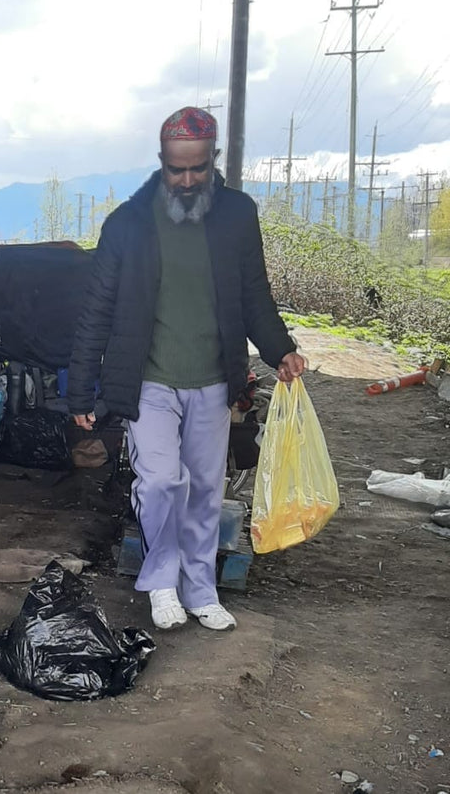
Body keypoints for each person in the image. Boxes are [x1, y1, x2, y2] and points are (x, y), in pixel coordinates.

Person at [68, 106, 305, 633]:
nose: (188, 179)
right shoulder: (127, 224)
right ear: (161, 163)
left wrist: (278, 349)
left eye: (198, 168)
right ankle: (160, 579)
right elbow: (95, 312)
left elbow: (254, 294)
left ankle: (200, 588)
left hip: (214, 378)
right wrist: (80, 391)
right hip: (148, 379)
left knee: (203, 488)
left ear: (213, 160)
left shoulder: (237, 215)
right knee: (158, 482)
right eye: (177, 169)